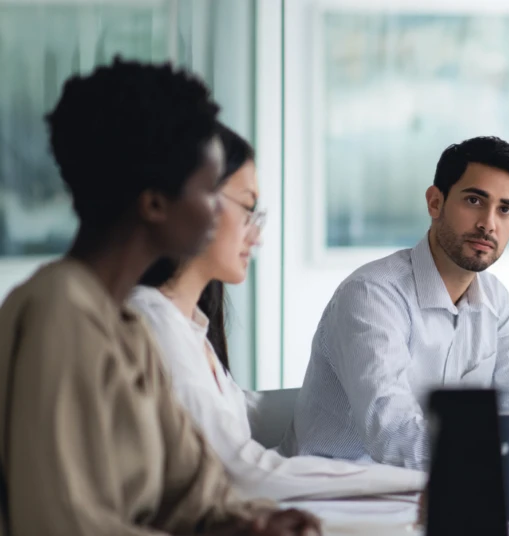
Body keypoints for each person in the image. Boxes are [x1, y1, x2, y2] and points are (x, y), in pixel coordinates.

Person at [0, 59, 319, 535]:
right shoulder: (59, 312)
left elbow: (194, 492)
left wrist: (254, 523)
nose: (223, 213)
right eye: (211, 190)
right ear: (154, 204)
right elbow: (63, 523)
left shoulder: (128, 327)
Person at [282, 136, 509, 469]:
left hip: (437, 490)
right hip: (335, 496)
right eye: (474, 200)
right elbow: (393, 435)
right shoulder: (372, 294)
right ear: (435, 202)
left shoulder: (495, 299)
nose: (488, 224)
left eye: (505, 209)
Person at [130, 124, 426, 501]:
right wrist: (425, 477)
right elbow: (247, 472)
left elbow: (232, 415)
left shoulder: (189, 329)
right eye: (247, 209)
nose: (257, 234)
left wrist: (336, 393)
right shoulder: (151, 324)